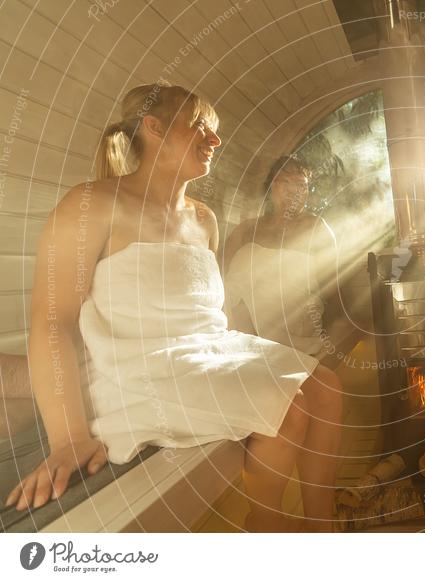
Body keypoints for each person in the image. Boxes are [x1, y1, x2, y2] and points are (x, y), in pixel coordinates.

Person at [2, 83, 342, 533]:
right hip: (139, 373)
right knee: (290, 408)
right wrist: (68, 438)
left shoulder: (204, 219)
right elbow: (52, 324)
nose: (216, 140)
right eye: (202, 126)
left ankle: (323, 527)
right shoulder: (91, 205)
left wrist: (250, 353)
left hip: (204, 353)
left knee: (329, 386)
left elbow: (205, 316)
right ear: (154, 126)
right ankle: (269, 527)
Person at [221, 156, 338, 356]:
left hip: (294, 328)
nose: (294, 190)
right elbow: (219, 280)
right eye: (286, 182)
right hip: (237, 329)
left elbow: (333, 290)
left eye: (301, 184)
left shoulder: (316, 228)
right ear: (271, 186)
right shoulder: (246, 230)